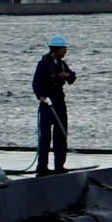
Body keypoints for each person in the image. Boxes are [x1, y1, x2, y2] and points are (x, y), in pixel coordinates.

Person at [32, 36, 76, 172]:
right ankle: (42, 166)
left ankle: (59, 165)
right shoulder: (43, 64)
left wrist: (68, 76)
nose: (65, 51)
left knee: (61, 135)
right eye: (64, 48)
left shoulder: (62, 64)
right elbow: (36, 83)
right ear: (57, 49)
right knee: (45, 136)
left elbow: (72, 77)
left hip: (59, 102)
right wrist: (40, 96)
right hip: (47, 104)